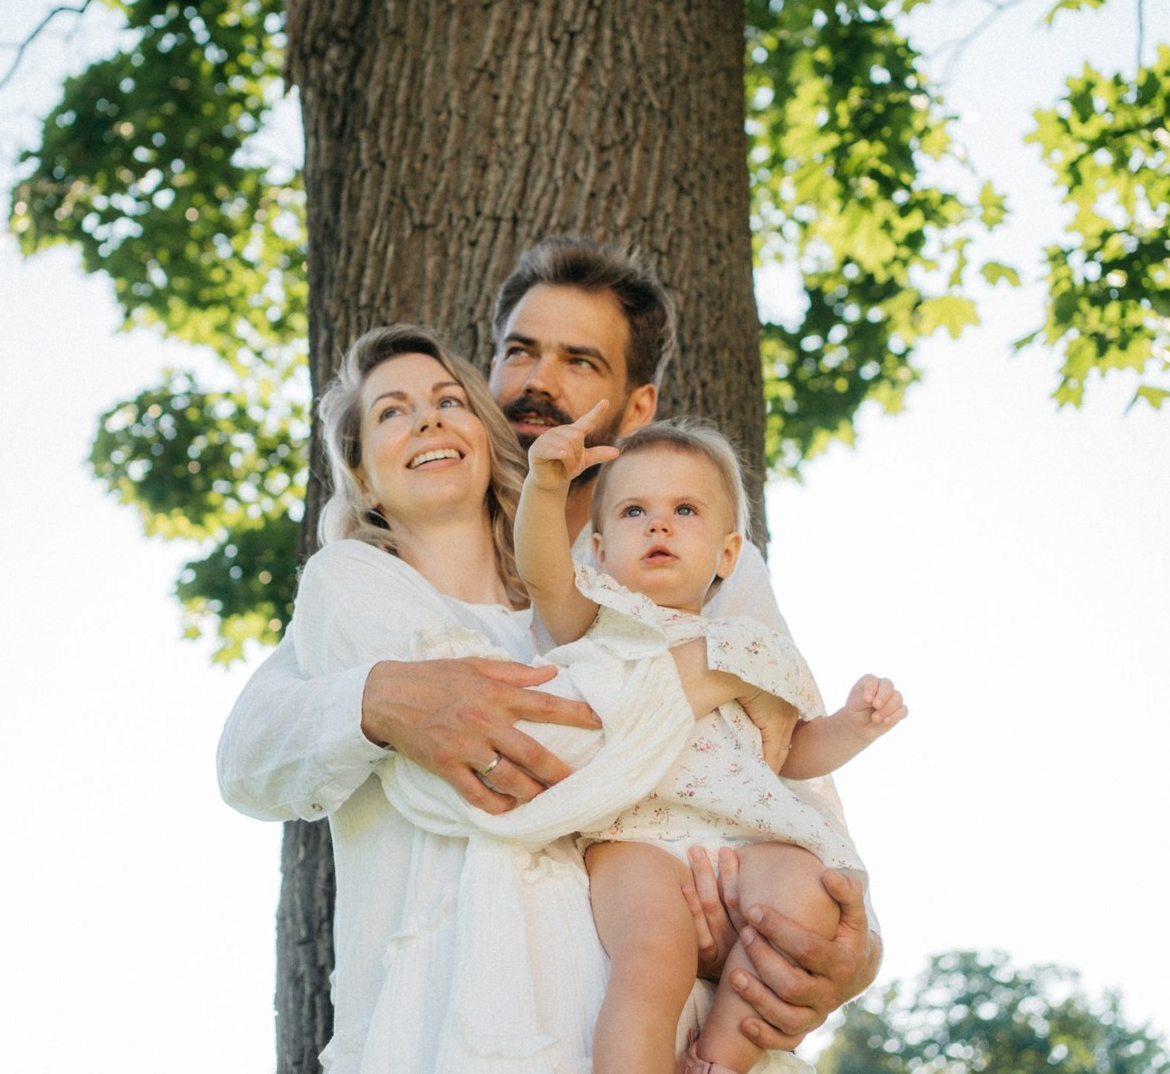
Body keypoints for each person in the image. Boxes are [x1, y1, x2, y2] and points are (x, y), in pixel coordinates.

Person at [218, 238, 883, 1048]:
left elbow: (786, 768)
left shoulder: (698, 564)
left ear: (636, 409)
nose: (540, 382)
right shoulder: (390, 578)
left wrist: (852, 947)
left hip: (679, 995)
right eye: (519, 353)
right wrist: (376, 698)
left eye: (579, 361)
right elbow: (252, 753)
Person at [293, 324, 756, 1070]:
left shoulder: (591, 604)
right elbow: (511, 775)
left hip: (643, 1023)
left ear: (483, 432)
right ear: (364, 478)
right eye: (392, 411)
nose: (429, 418)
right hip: (457, 1021)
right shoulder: (347, 587)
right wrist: (697, 673)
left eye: (449, 400)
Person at [514, 407, 906, 1073]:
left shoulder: (752, 648)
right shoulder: (598, 618)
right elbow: (544, 571)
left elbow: (791, 753)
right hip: (635, 835)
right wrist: (546, 488)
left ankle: (719, 1059)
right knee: (653, 956)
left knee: (810, 897)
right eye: (634, 511)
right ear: (601, 551)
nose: (659, 524)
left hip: (745, 834)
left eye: (685, 511)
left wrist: (854, 725)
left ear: (728, 553)